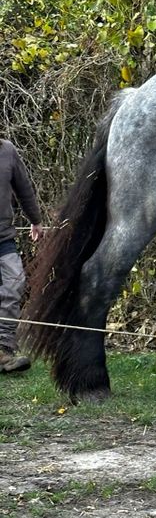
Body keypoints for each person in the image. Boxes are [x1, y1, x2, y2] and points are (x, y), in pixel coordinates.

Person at [0, 139, 42, 373]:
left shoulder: (7, 150)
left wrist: (35, 220)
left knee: (15, 282)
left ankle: (4, 349)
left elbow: (24, 188)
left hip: (3, 237)